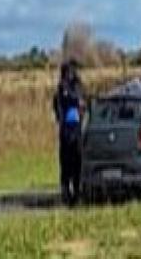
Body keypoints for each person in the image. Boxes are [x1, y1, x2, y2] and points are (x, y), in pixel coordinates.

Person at [52, 61, 85, 205]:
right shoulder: (62, 89)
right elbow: (60, 104)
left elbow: (79, 100)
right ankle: (67, 194)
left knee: (75, 162)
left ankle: (75, 193)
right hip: (67, 129)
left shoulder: (75, 86)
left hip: (74, 129)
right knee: (67, 163)